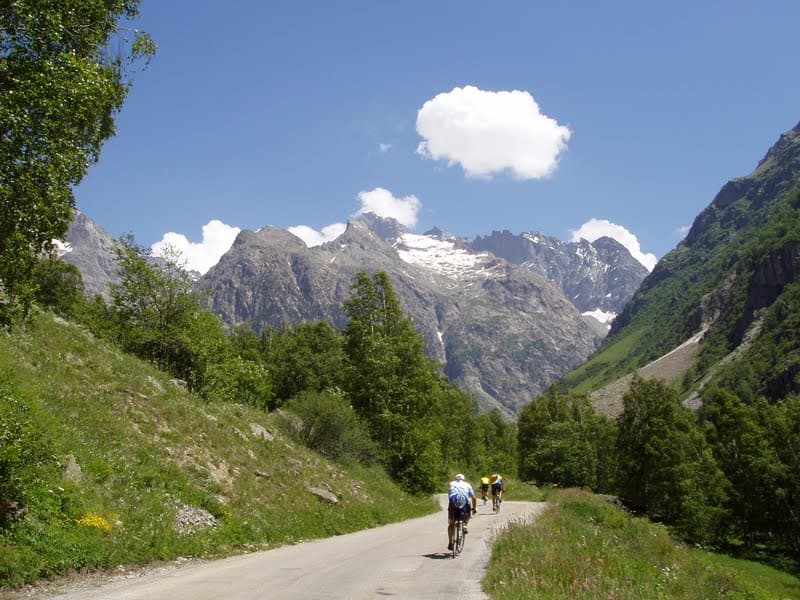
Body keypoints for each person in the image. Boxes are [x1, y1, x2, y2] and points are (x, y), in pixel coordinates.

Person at [447, 473, 476, 550]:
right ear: (464, 479)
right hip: (464, 501)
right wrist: (474, 508)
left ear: (455, 478)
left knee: (451, 524)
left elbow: (449, 496)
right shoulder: (467, 485)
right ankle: (465, 525)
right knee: (468, 513)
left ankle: (450, 543)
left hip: (453, 502)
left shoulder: (451, 484)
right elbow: (474, 498)